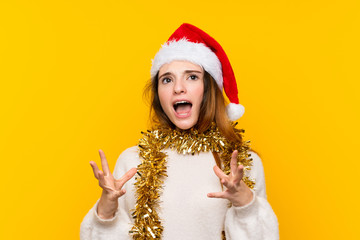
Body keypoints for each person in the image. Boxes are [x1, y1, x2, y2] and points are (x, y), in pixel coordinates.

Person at [80, 23, 279, 240]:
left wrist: (245, 203)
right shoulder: (132, 161)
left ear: (208, 89)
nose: (178, 88)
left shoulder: (240, 163)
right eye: (167, 79)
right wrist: (106, 209)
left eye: (192, 77)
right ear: (159, 94)